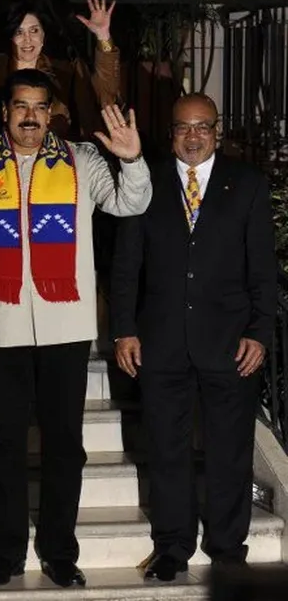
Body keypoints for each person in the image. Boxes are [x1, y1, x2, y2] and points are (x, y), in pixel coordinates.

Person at [0, 68, 152, 587]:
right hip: (0, 324)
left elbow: (132, 202)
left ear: (51, 111)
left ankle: (59, 552)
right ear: (4, 112)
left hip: (65, 327)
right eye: (20, 107)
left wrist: (132, 158)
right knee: (5, 444)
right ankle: (7, 553)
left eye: (38, 107)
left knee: (63, 444)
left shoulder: (81, 161)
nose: (30, 117)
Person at [111, 93, 276, 581]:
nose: (193, 135)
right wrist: (123, 329)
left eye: (203, 126)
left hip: (230, 343)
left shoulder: (246, 184)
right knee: (166, 447)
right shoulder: (146, 182)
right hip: (161, 342)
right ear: (171, 133)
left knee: (230, 448)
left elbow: (263, 267)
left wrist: (259, 332)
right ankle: (172, 546)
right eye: (184, 127)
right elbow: (127, 264)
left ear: (217, 131)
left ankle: (227, 547)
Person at [0, 0, 120, 155]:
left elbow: (105, 91)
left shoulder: (66, 73)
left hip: (59, 163)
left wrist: (103, 37)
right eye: (19, 32)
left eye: (34, 31)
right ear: (10, 36)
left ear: (43, 34)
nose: (27, 40)